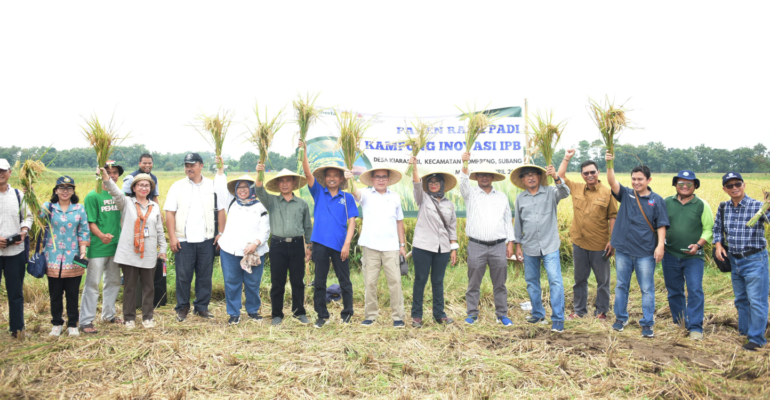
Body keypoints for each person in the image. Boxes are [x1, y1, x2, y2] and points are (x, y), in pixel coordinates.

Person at [605, 153, 669, 338]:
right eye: (633, 179)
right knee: (621, 285)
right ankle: (620, 318)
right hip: (624, 250)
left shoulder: (657, 200)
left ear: (648, 180)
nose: (636, 182)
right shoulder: (626, 194)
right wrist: (610, 162)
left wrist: (660, 246)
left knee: (647, 288)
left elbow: (661, 225)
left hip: (645, 252)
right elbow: (611, 181)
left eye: (640, 179)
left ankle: (647, 323)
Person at [299, 140, 359, 328]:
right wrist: (304, 152)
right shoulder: (318, 192)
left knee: (345, 281)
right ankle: (321, 315)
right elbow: (308, 173)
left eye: (336, 176)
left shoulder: (347, 198)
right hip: (320, 244)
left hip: (340, 245)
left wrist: (347, 243)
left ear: (341, 179)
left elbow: (352, 223)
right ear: (324, 179)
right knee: (320, 281)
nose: (332, 178)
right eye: (329, 176)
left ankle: (347, 313)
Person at [99, 167, 167, 329]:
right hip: (129, 252)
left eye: (147, 186)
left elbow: (159, 230)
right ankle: (129, 318)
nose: (144, 188)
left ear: (150, 189)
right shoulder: (127, 203)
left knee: (148, 287)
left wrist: (162, 249)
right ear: (134, 188)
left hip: (149, 252)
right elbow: (115, 191)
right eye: (140, 185)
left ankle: (147, 317)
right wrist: (106, 177)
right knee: (129, 287)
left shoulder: (154, 207)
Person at [556, 150, 617, 321]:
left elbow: (613, 216)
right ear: (582, 175)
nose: (589, 175)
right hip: (579, 243)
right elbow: (559, 176)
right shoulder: (575, 187)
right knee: (579, 279)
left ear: (598, 173)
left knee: (602, 281)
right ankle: (580, 310)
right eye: (586, 173)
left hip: (600, 245)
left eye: (592, 172)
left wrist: (612, 241)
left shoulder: (607, 192)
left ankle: (602, 312)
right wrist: (566, 158)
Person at [164, 153, 226, 322]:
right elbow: (170, 212)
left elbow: (221, 210)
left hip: (207, 239)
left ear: (201, 165)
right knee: (183, 276)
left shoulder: (213, 186)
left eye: (192, 165)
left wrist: (221, 233)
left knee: (205, 275)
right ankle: (182, 307)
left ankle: (202, 307)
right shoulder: (177, 187)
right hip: (183, 240)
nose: (188, 168)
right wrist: (172, 237)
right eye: (186, 165)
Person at [713, 172, 770, 351]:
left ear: (744, 185)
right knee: (741, 300)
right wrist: (718, 245)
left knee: (757, 300)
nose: (734, 188)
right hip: (735, 260)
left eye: (737, 184)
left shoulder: (758, 206)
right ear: (725, 189)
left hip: (755, 259)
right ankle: (744, 332)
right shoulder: (724, 207)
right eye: (730, 185)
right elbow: (717, 229)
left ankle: (757, 339)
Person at [345, 165, 407, 328]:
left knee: (395, 282)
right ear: (372, 179)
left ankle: (398, 316)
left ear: (388, 179)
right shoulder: (365, 194)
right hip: (370, 246)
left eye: (384, 177)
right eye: (377, 177)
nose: (380, 180)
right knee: (370, 282)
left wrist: (402, 245)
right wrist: (349, 177)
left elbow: (399, 222)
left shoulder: (395, 197)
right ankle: (371, 315)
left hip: (391, 247)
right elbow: (354, 193)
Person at [512, 163, 571, 332]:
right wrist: (518, 245)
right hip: (529, 246)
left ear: (539, 177)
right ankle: (537, 314)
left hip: (550, 244)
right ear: (522, 180)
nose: (530, 177)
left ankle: (558, 318)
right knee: (532, 282)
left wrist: (556, 177)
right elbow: (518, 224)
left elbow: (565, 192)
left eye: (533, 174)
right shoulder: (520, 198)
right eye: (526, 175)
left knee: (555, 280)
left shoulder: (551, 192)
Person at [459, 153, 515, 327]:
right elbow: (462, 183)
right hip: (476, 245)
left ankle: (501, 314)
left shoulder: (502, 197)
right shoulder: (470, 194)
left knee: (500, 284)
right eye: (481, 174)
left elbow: (507, 220)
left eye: (487, 175)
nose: (484, 177)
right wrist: (464, 163)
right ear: (475, 177)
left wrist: (510, 243)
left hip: (498, 246)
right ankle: (472, 314)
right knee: (474, 282)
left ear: (492, 178)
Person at [214, 159, 271, 325]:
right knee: (232, 283)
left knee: (252, 283)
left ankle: (253, 311)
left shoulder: (260, 205)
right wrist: (220, 170)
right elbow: (219, 187)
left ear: (252, 189)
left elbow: (265, 229)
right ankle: (234, 313)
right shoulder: (230, 202)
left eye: (246, 187)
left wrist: (256, 243)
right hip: (230, 251)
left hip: (254, 251)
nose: (243, 190)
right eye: (240, 187)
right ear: (236, 190)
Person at [255, 165, 313, 326]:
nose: (285, 184)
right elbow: (259, 190)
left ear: (294, 183)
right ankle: (277, 314)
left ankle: (298, 312)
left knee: (297, 281)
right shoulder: (272, 201)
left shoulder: (302, 204)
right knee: (277, 281)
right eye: (282, 181)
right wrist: (259, 171)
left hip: (296, 245)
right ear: (278, 184)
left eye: (288, 181)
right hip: (278, 245)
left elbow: (307, 226)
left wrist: (309, 247)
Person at [663, 170, 714, 340]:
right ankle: (680, 323)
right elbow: (659, 225)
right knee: (674, 291)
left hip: (694, 257)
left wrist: (698, 244)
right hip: (669, 254)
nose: (684, 187)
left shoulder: (702, 205)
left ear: (695, 186)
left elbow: (708, 229)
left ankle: (695, 327)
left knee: (694, 290)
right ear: (675, 185)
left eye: (689, 184)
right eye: (681, 183)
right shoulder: (666, 203)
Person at [408, 157, 458, 328]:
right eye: (430, 182)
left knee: (438, 281)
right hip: (422, 246)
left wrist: (453, 249)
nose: (433, 184)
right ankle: (417, 316)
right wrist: (414, 167)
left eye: (437, 182)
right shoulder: (423, 199)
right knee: (420, 280)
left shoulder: (449, 205)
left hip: (443, 248)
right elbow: (416, 184)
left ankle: (439, 315)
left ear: (442, 184)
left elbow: (452, 228)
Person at [79, 163, 125, 334]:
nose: (112, 175)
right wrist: (101, 236)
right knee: (92, 283)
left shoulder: (119, 196)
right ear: (99, 175)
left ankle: (109, 315)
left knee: (113, 282)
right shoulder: (93, 196)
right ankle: (86, 321)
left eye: (115, 173)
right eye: (108, 172)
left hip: (116, 247)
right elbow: (90, 222)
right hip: (98, 247)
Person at [43, 176, 90, 337]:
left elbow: (84, 230)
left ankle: (72, 324)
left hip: (74, 257)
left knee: (72, 293)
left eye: (69, 188)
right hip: (53, 257)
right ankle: (56, 323)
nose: (65, 191)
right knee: (55, 293)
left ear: (73, 191)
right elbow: (34, 215)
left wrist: (83, 251)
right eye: (61, 188)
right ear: (56, 190)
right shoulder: (48, 207)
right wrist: (30, 194)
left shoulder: (79, 208)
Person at [0, 159, 33, 338]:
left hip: (15, 252)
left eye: (3, 170)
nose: (0, 174)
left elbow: (28, 216)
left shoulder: (19, 195)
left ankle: (17, 329)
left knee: (16, 293)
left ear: (10, 172)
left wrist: (24, 230)